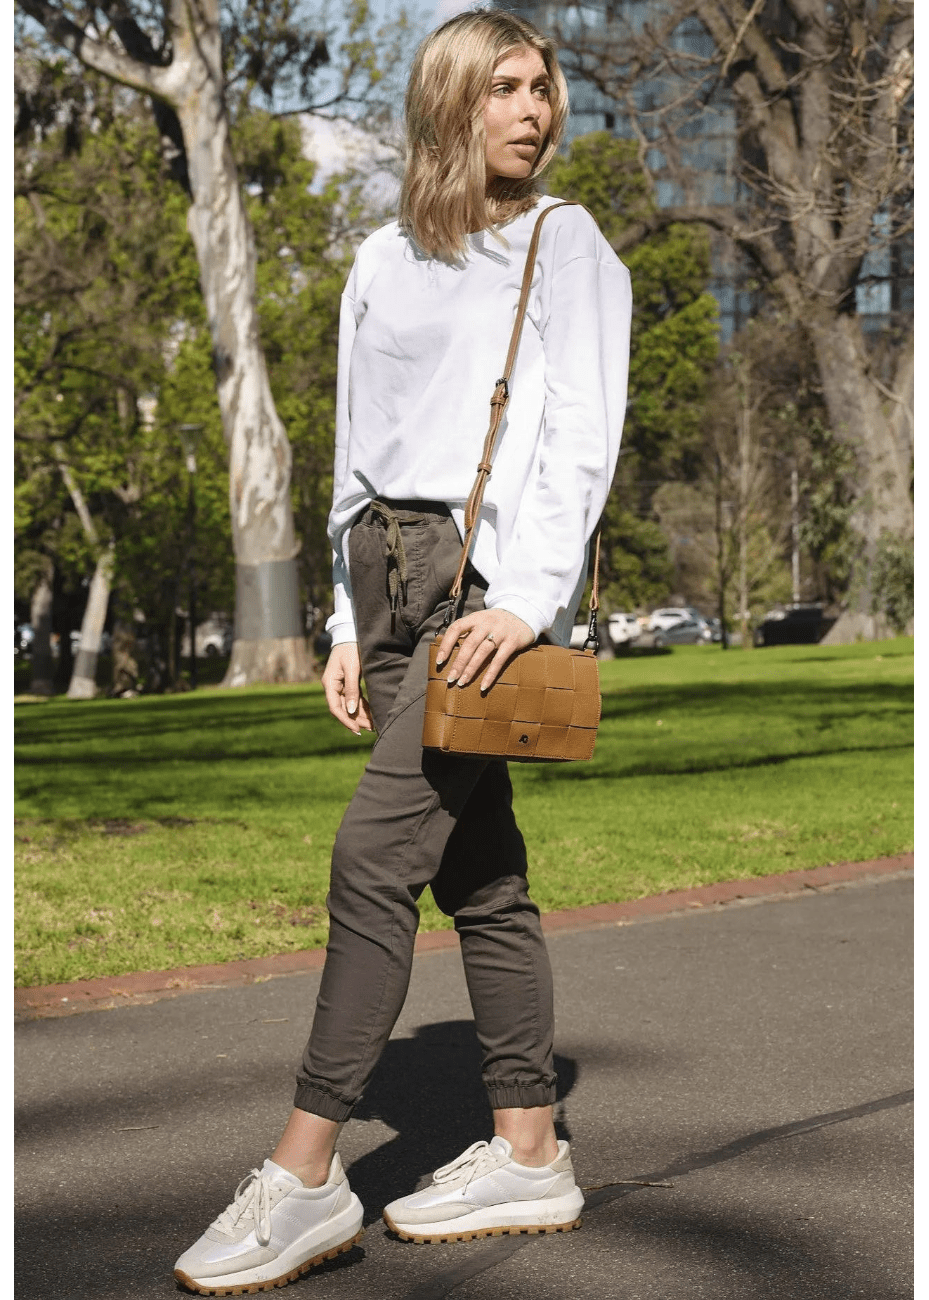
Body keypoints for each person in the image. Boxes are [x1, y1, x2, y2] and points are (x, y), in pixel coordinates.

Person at [174, 9, 631, 1295]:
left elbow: (581, 438)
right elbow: (354, 449)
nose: (532, 110)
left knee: (372, 858)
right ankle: (529, 1144)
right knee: (478, 878)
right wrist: (334, 614)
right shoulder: (378, 257)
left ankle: (306, 1173)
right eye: (503, 89)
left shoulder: (563, 242)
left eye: (543, 88)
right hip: (382, 585)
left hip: (473, 593)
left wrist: (526, 597)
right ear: (446, 105)